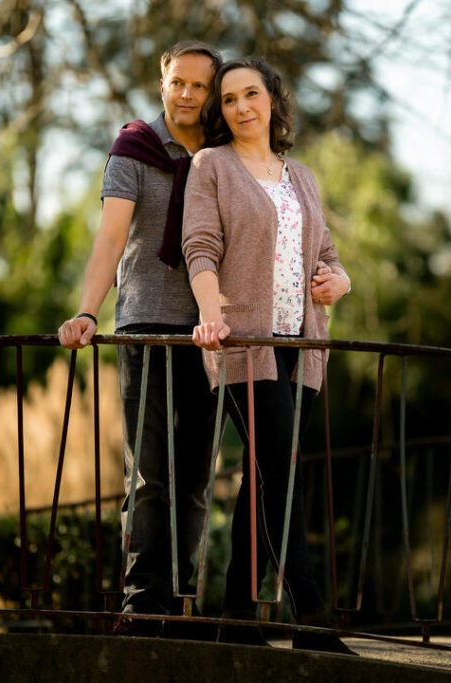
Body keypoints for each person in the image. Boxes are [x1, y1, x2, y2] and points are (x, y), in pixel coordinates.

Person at [182, 57, 355, 654]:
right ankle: (311, 615)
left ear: (272, 101)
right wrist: (211, 315)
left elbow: (327, 253)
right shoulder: (211, 166)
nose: (241, 107)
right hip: (242, 343)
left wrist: (340, 282)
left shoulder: (300, 175)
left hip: (301, 347)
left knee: (266, 475)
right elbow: (200, 248)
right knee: (281, 471)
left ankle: (235, 615)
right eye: (229, 99)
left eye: (250, 94)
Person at [57, 40, 222, 633]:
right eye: (178, 82)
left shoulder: (226, 154)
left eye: (200, 85)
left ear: (212, 92)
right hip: (144, 326)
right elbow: (109, 239)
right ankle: (142, 605)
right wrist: (87, 311)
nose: (187, 94)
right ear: (162, 84)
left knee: (195, 478)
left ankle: (182, 602)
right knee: (149, 475)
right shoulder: (134, 147)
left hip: (210, 332)